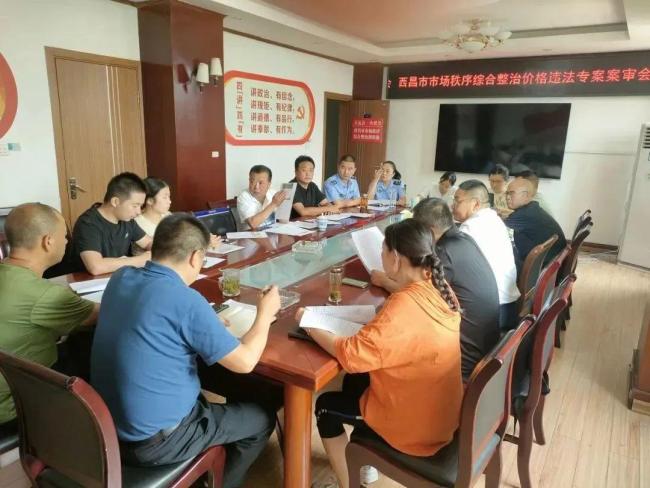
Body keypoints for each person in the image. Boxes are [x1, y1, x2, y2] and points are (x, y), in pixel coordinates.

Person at [91, 213, 280, 488]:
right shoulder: (186, 300)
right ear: (195, 257)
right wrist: (264, 314)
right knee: (261, 419)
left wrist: (204, 321)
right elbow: (246, 362)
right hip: (156, 442)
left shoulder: (122, 277)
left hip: (106, 428)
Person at [302, 219, 463, 488]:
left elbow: (351, 355)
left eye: (383, 250)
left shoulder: (403, 307)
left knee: (326, 406)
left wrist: (308, 323)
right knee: (355, 381)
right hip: (439, 410)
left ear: (396, 259)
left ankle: (348, 483)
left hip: (415, 429)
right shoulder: (438, 286)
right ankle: (365, 466)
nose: (380, 256)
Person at [0, 203, 98, 426]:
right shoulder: (43, 294)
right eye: (64, 235)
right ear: (48, 241)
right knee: (88, 345)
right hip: (12, 405)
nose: (67, 241)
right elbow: (102, 315)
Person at [413, 198, 500, 379]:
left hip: (464, 361)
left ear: (429, 230)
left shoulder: (443, 252)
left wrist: (385, 281)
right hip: (487, 347)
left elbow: (418, 296)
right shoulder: (465, 239)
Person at [452, 180, 521, 331]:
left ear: (475, 204)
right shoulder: (493, 218)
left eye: (457, 201)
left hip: (490, 315)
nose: (452, 205)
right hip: (507, 307)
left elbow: (452, 270)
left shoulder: (470, 228)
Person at [69, 172, 152, 275]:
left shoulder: (127, 220)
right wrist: (140, 260)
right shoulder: (88, 223)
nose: (139, 212)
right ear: (115, 202)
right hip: (88, 281)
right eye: (135, 206)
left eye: (140, 206)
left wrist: (154, 251)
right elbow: (96, 267)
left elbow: (148, 242)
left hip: (116, 277)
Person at [505, 178, 567, 267]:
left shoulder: (526, 214)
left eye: (511, 193)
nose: (507, 197)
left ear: (525, 195)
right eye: (506, 193)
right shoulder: (531, 209)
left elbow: (498, 227)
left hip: (541, 266)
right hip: (552, 262)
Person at [237, 165, 287, 230]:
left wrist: (287, 203)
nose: (256, 187)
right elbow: (253, 224)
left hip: (272, 232)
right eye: (252, 182)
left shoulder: (273, 193)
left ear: (269, 184)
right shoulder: (243, 196)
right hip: (251, 235)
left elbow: (283, 221)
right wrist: (274, 204)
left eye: (260, 183)